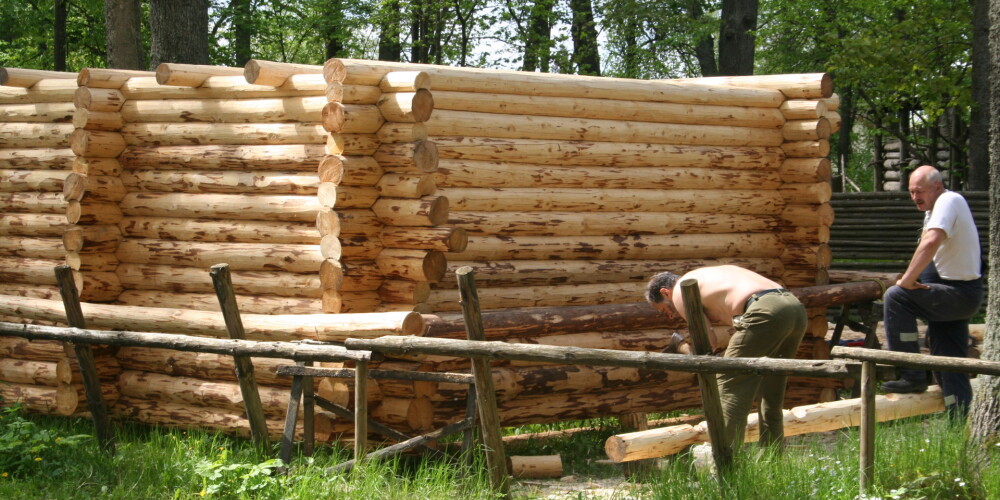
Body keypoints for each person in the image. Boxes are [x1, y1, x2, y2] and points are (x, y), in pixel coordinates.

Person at [645, 265, 807, 450]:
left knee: (729, 385)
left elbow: (708, 342)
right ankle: (772, 457)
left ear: (665, 292)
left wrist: (688, 350)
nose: (670, 315)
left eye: (665, 310)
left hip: (765, 310)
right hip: (793, 307)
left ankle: (725, 462)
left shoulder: (682, 289)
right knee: (772, 388)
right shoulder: (709, 274)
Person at [880, 165, 983, 415]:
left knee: (896, 297)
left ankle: (911, 373)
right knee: (948, 363)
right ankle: (958, 421)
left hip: (958, 294)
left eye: (920, 191)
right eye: (911, 192)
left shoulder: (949, 199)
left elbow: (931, 241)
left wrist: (906, 280)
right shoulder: (935, 208)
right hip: (953, 295)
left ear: (937, 186)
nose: (915, 197)